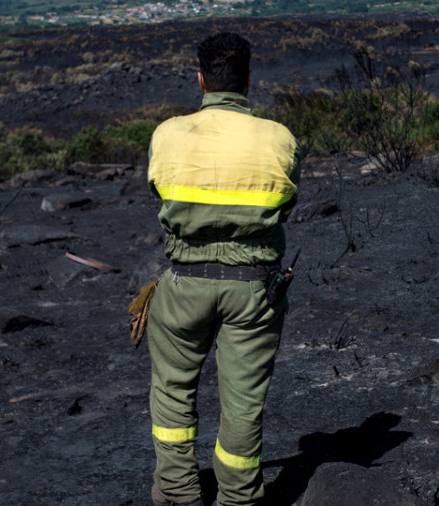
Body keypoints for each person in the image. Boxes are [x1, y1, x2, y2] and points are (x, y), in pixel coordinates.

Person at [145, 32, 301, 506]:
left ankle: (177, 492)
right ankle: (239, 497)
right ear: (249, 80)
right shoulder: (279, 138)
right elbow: (285, 208)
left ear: (201, 80)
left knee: (172, 392)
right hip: (254, 289)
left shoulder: (167, 133)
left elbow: (160, 199)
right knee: (243, 402)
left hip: (183, 285)